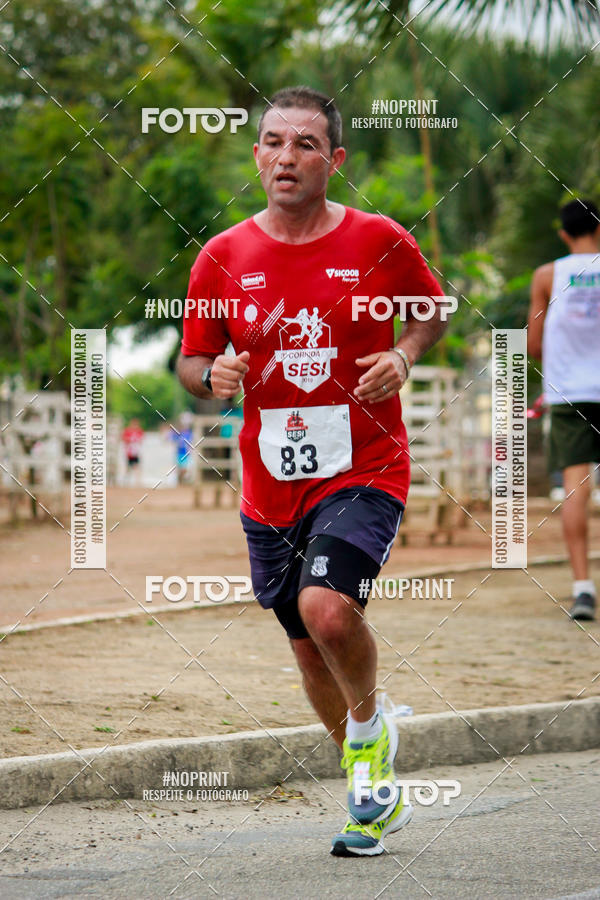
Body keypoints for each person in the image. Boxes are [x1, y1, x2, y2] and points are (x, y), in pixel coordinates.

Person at [177, 86, 449, 856]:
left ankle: (367, 742)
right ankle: (371, 784)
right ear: (257, 155)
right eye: (272, 142)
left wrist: (402, 353)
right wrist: (213, 376)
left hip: (364, 467)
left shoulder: (379, 239)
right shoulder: (222, 256)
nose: (285, 157)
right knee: (307, 644)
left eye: (303, 145)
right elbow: (192, 362)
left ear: (334, 160)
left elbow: (433, 310)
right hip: (270, 486)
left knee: (329, 609)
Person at [527, 198, 600, 622]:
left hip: (571, 394)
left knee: (576, 488)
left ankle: (583, 589)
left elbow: (535, 344)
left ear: (563, 233)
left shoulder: (548, 275)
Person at [121, 418, 144, 486]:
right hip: (129, 452)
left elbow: (141, 440)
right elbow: (124, 439)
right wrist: (131, 440)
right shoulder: (127, 431)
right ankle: (126, 481)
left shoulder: (139, 431)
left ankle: (137, 481)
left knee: (137, 466)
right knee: (128, 467)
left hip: (136, 452)